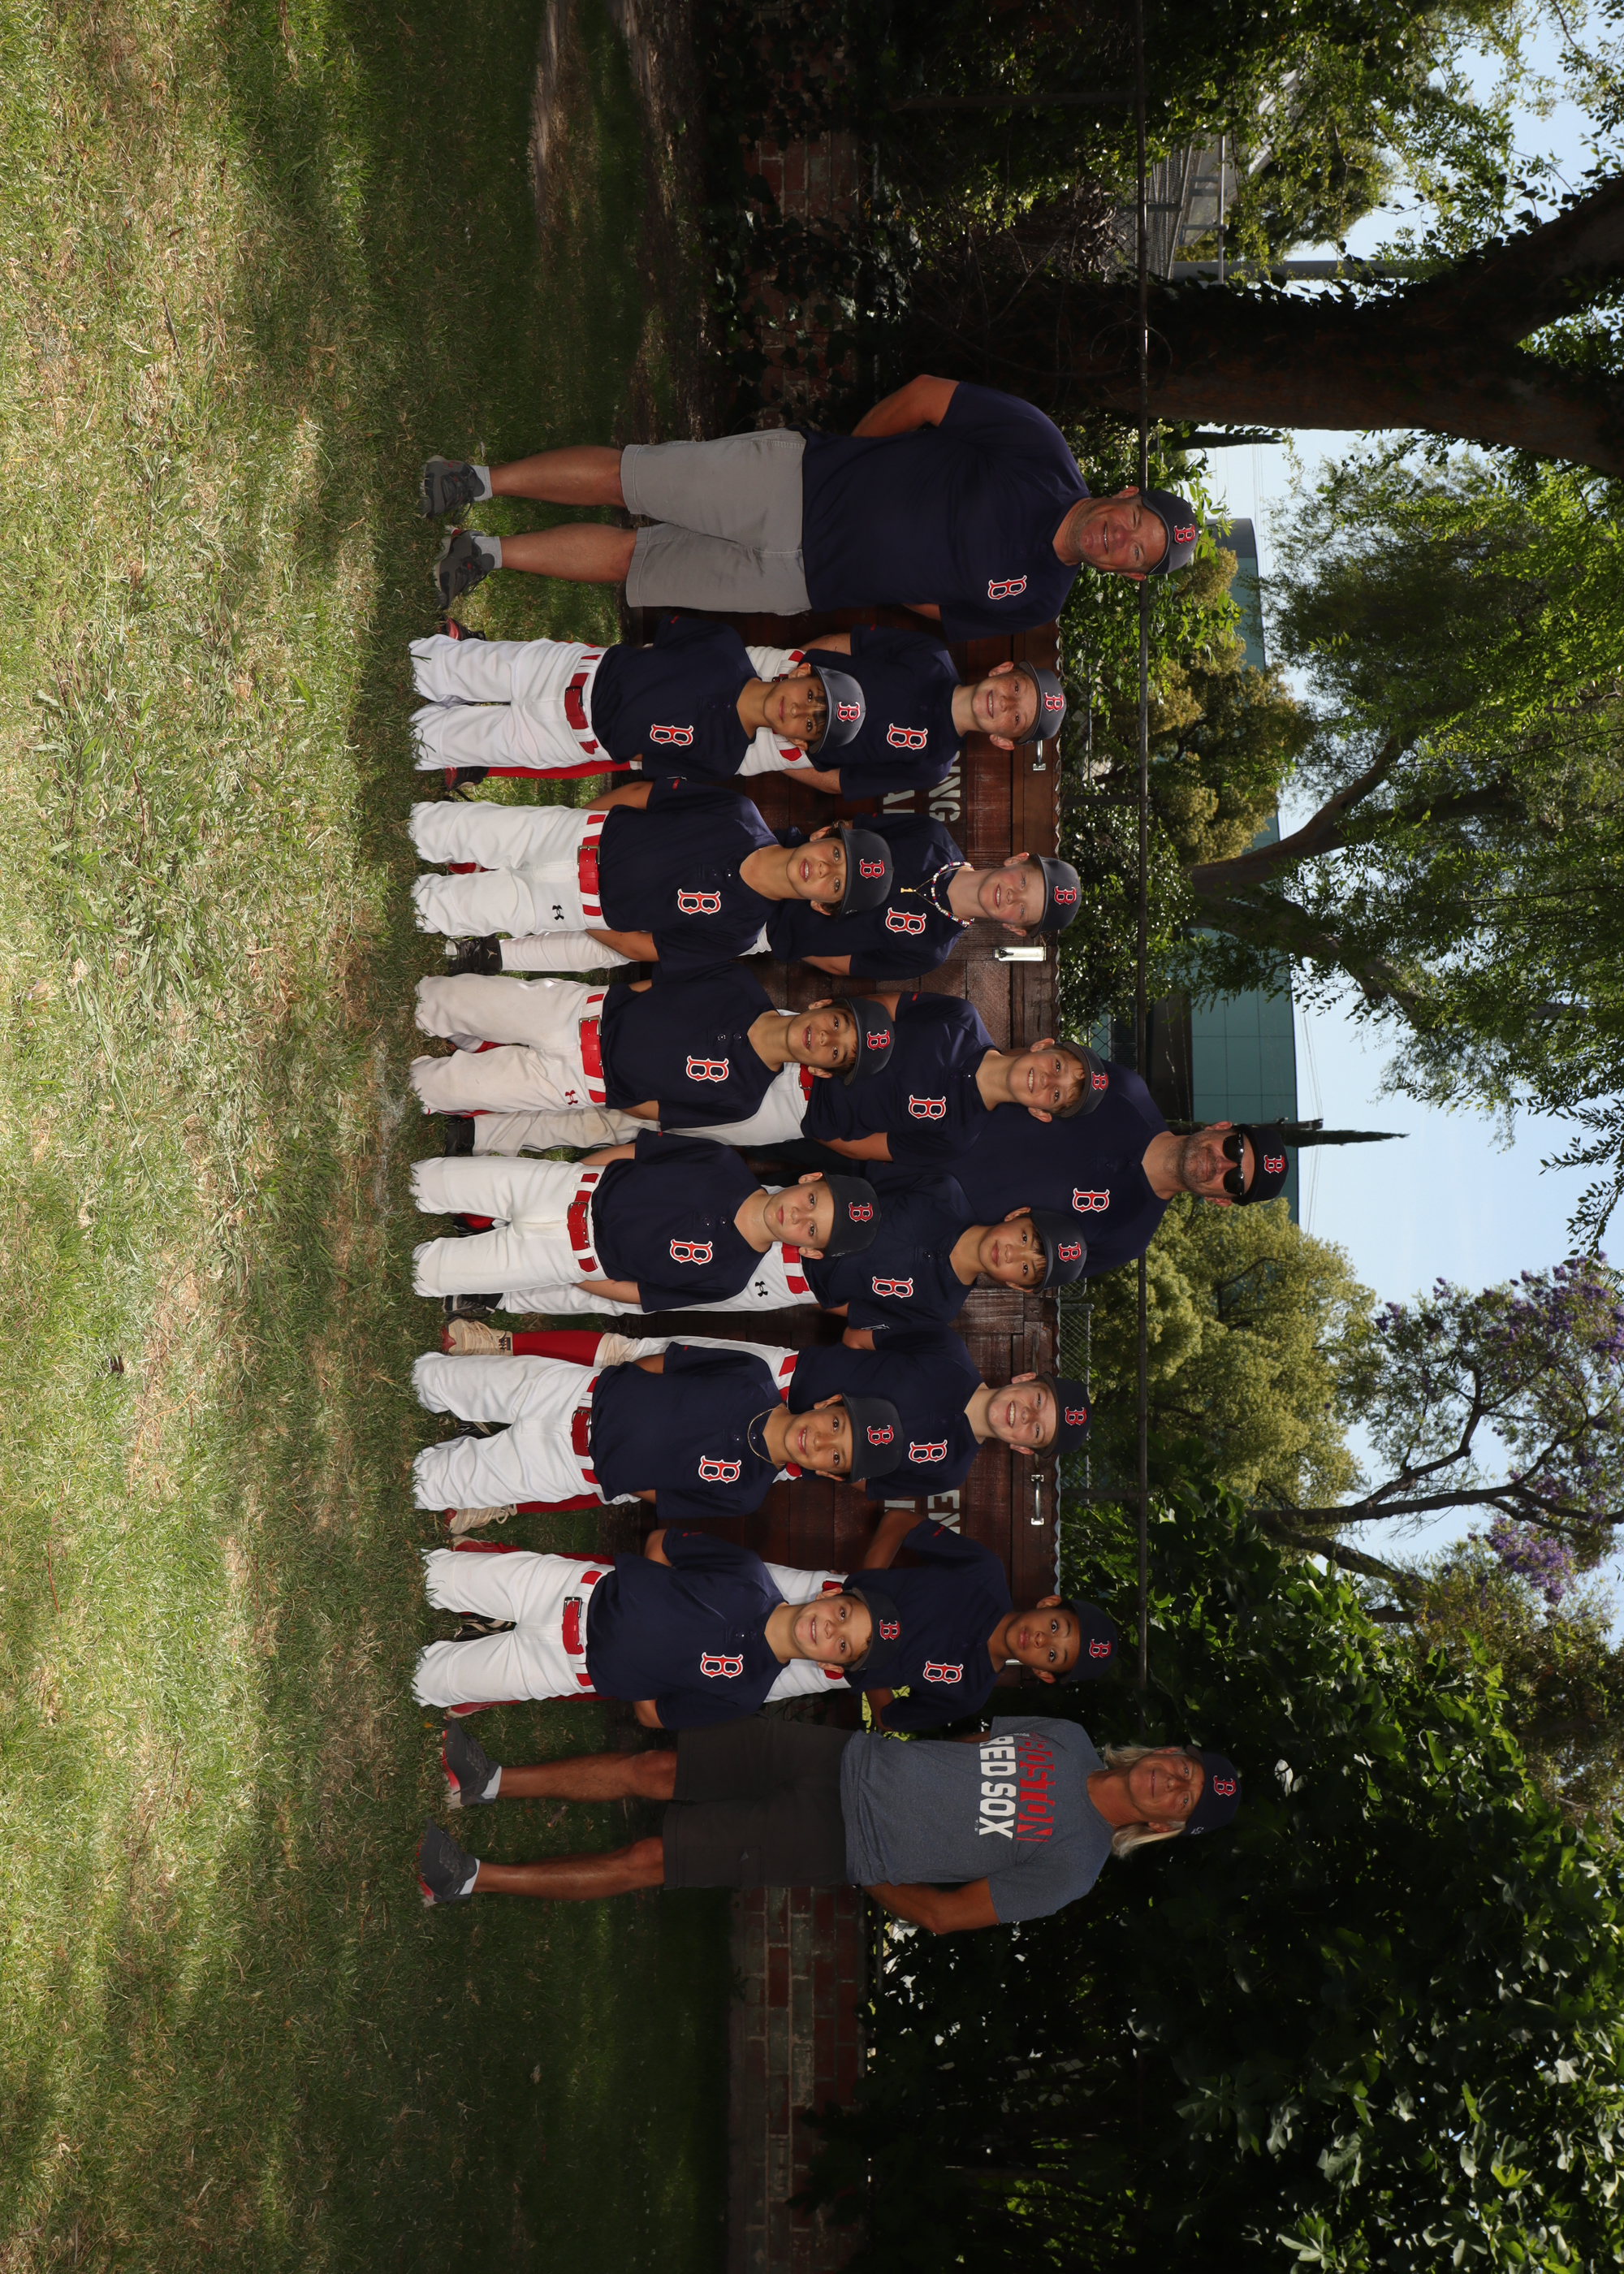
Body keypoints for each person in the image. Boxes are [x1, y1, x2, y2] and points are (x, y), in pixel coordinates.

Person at [417, 377, 1199, 635]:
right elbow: (928, 397)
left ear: (1131, 575)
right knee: (633, 481)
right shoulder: (1040, 450)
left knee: (637, 565)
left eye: (1138, 552)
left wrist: (882, 567)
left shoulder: (1039, 601)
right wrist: (853, 458)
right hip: (797, 482)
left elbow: (937, 605)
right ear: (1128, 496)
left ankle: (484, 555)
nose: (1121, 538)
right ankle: (476, 482)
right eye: (1137, 524)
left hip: (799, 584)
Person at [414, 1719, 1242, 1929]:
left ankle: (470, 1880)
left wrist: (866, 1864)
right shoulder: (1066, 1737)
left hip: (831, 1841)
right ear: (1169, 1750)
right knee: (657, 1769)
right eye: (1184, 1768)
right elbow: (968, 1749)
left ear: (1166, 1825)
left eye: (1183, 1797)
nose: (1173, 1781)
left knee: (648, 1857)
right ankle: (488, 1780)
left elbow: (944, 1914)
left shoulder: (1074, 1867)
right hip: (835, 1755)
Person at [410, 1333, 902, 1533]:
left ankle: (457, 1456)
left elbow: (662, 1495)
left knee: (426, 1484)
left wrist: (615, 1468)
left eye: (835, 1457)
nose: (821, 1442)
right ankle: (455, 1410)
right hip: (571, 1391)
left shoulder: (747, 1494)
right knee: (428, 1378)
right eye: (835, 1426)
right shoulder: (753, 1376)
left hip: (568, 1466)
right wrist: (617, 1387)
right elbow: (667, 1363)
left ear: (828, 1475)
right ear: (828, 1404)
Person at [408, 778, 893, 976]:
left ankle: (421, 906)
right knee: (437, 827)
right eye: (835, 854)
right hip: (572, 834)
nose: (824, 869)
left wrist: (585, 916)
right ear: (824, 833)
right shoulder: (739, 813)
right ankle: (417, 832)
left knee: (437, 911)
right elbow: (644, 795)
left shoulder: (740, 931)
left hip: (569, 905)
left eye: (835, 884)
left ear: (821, 905)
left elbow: (645, 947)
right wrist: (579, 821)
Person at [407, 970, 894, 1152]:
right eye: (837, 1022)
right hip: (577, 1012)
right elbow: (658, 986)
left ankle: (461, 1067)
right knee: (435, 997)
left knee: (429, 1088)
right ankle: (469, 1035)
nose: (825, 1037)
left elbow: (655, 1112)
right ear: (820, 1005)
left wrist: (606, 1087)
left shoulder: (744, 1099)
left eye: (836, 1051)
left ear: (820, 1070)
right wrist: (608, 1003)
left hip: (578, 1081)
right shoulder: (741, 986)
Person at [412, 1528, 879, 1717]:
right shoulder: (748, 1572)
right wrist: (644, 1597)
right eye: (843, 1614)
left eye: (842, 1646)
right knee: (427, 1574)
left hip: (561, 1668)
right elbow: (663, 1543)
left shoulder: (746, 1693)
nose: (831, 1630)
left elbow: (655, 1714)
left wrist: (632, 1663)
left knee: (427, 1682)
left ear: (830, 1668)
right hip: (568, 1587)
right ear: (830, 1592)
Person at [409, 1131, 880, 1316]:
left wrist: (576, 1273)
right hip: (561, 1187)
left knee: (428, 1274)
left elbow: (640, 1293)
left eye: (811, 1229)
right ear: (809, 1178)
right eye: (812, 1201)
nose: (797, 1215)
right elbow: (640, 1152)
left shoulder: (729, 1277)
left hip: (568, 1257)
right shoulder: (723, 1163)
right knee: (426, 1180)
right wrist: (579, 1175)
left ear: (809, 1251)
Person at [749, 1507, 1121, 1728]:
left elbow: (889, 1718)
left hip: (819, 1670)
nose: (1042, 1640)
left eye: (1054, 1655)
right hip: (821, 1598)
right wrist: (866, 1587)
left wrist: (865, 1670)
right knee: (726, 1589)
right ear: (1050, 1603)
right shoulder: (984, 1571)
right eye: (1056, 1627)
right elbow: (899, 1522)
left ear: (1043, 1673)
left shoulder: (969, 1695)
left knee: (732, 1680)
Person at [408, 612, 866, 784]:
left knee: (427, 743)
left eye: (810, 724)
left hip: (570, 739)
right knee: (434, 664)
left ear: (797, 743)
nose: (799, 709)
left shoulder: (724, 759)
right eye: (811, 695)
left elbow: (645, 759)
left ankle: (427, 734)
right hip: (568, 669)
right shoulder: (725, 646)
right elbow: (658, 643)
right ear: (800, 670)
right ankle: (428, 670)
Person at [943, 1059, 1294, 1278]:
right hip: (933, 1124)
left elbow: (1018, 1272)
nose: (1223, 1163)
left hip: (929, 1215)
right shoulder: (1124, 1089)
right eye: (1234, 1148)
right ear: (1221, 1127)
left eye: (1236, 1179)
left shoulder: (1127, 1239)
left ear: (1222, 1201)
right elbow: (1011, 1070)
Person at [641, 625, 1065, 799]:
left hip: (783, 747)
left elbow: (842, 781)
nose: (1004, 703)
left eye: (1016, 718)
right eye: (1015, 689)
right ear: (1002, 670)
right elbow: (849, 645)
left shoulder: (933, 765)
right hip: (785, 674)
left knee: (671, 744)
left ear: (1003, 740)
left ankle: (619, 749)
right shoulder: (931, 654)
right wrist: (795, 670)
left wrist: (786, 756)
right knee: (670, 675)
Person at [800, 991, 1107, 1166]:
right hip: (811, 1040)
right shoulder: (961, 1016)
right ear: (1043, 1045)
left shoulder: (958, 1138)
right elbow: (879, 1009)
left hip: (803, 1111)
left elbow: (865, 1147)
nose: (1047, 1081)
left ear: (1041, 1112)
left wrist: (810, 1124)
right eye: (1056, 1067)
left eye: (1056, 1095)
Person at [761, 814, 1082, 981]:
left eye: (1022, 910)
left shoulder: (931, 952)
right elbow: (847, 829)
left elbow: (843, 965)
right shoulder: (931, 834)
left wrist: (790, 940)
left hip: (769, 931)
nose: (1012, 896)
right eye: (1023, 881)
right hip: (774, 860)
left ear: (1015, 928)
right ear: (1016, 859)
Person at [801, 1172, 1088, 1344]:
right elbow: (859, 1183)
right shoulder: (943, 1191)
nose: (1011, 1253)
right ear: (1017, 1215)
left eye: (1025, 1268)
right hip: (800, 1216)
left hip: (798, 1284)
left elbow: (855, 1311)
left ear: (1017, 1286)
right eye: (1024, 1238)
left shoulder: (941, 1308)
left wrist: (800, 1291)